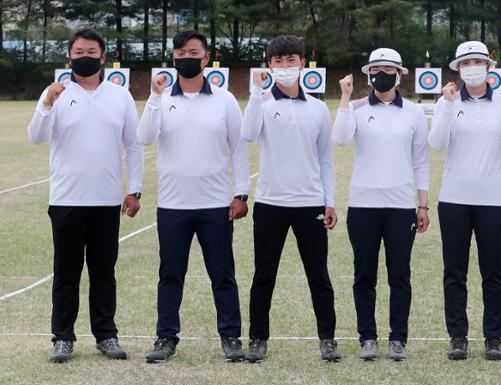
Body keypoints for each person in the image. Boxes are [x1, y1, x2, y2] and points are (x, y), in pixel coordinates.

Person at [27, 28, 143, 363]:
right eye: (79, 51)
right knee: (66, 272)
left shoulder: (119, 96)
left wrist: (133, 190)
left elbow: (133, 146)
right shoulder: (56, 93)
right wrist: (47, 103)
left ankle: (106, 335)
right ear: (70, 56)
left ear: (103, 56)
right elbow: (36, 137)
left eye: (92, 51)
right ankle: (62, 338)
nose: (85, 56)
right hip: (66, 200)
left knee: (104, 271)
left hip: (106, 201)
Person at [137, 30, 249, 363]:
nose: (187, 57)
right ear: (174, 58)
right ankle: (165, 337)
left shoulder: (224, 99)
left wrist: (241, 193)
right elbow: (144, 137)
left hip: (215, 204)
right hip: (172, 205)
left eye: (194, 52)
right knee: (170, 274)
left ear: (206, 57)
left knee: (222, 274)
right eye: (181, 53)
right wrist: (155, 98)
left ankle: (230, 337)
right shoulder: (161, 99)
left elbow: (239, 147)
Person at [241, 35, 341, 363]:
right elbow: (248, 133)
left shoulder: (317, 109)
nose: (285, 66)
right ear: (269, 65)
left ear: (302, 63)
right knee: (263, 275)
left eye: (291, 60)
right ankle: (257, 339)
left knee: (319, 276)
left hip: (309, 203)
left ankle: (328, 338)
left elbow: (325, 159)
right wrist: (256, 92)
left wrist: (329, 201)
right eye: (278, 61)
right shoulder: (263, 105)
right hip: (270, 203)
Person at [333, 48, 430, 361]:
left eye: (389, 69)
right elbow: (341, 138)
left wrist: (423, 205)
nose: (382, 74)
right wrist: (346, 98)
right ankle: (368, 338)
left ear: (400, 74)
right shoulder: (357, 109)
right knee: (364, 276)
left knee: (399, 275)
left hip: (401, 207)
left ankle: (397, 339)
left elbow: (420, 160)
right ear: (368, 73)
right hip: (363, 205)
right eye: (376, 69)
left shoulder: (414, 113)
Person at [429, 41, 501, 361]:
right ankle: (458, 337)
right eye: (466, 63)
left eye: (478, 61)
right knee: (454, 272)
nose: (472, 67)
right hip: (454, 199)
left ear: (489, 64)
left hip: (494, 202)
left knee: (493, 271)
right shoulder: (448, 102)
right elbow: (437, 144)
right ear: (458, 68)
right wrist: (447, 105)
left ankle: (494, 338)